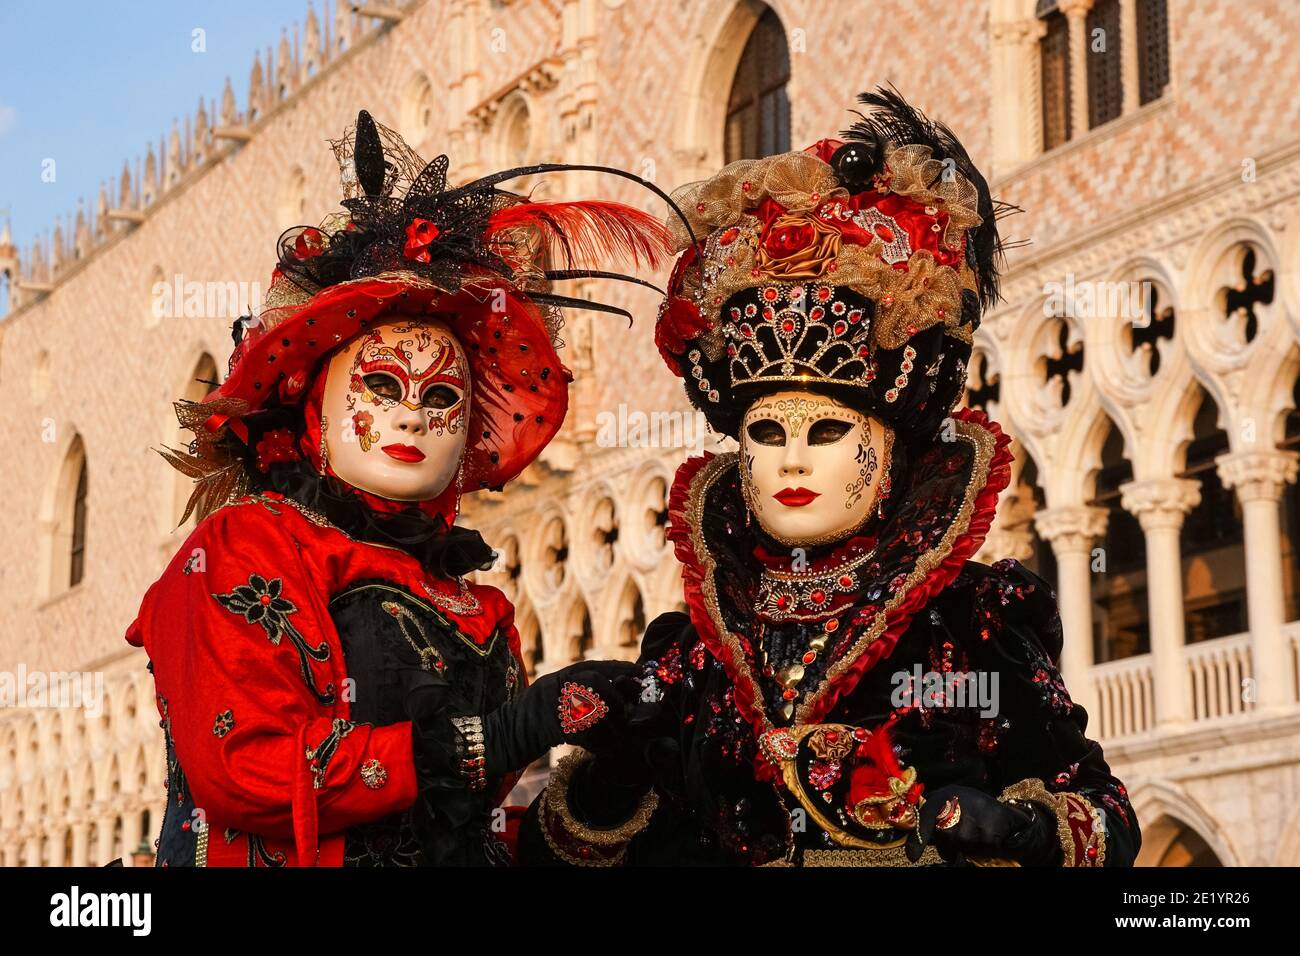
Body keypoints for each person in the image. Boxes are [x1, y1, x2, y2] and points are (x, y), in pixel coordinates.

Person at [520, 89, 1141, 867]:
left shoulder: (972, 623)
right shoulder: (697, 651)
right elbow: (572, 853)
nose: (792, 458)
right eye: (768, 433)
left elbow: (1106, 820)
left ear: (887, 446)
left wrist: (1016, 827)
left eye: (826, 431)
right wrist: (611, 770)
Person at [126, 111, 670, 866]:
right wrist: (499, 734)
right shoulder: (248, 546)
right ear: (315, 405)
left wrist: (608, 764)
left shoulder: (475, 605)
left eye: (443, 396)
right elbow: (248, 770)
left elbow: (472, 819)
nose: (413, 411)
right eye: (381, 385)